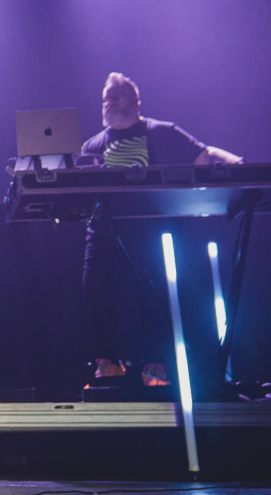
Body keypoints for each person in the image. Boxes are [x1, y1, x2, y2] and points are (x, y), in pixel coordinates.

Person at [80, 72, 242, 384]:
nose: (109, 103)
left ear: (135, 101)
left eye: (116, 96)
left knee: (152, 297)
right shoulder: (93, 145)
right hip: (104, 232)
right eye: (106, 98)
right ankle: (108, 364)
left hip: (150, 229)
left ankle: (156, 367)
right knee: (94, 289)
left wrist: (238, 164)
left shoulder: (161, 131)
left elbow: (204, 155)